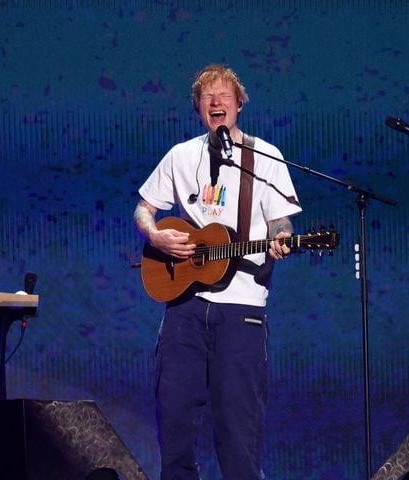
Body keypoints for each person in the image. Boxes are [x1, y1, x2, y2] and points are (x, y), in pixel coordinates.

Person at [133, 64, 303, 479]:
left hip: (240, 312)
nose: (216, 102)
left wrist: (282, 237)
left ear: (239, 104)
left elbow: (282, 221)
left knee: (238, 432)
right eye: (207, 97)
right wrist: (155, 237)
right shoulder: (181, 155)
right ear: (198, 109)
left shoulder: (265, 158)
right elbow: (144, 208)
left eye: (223, 94)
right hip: (184, 310)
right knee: (174, 425)